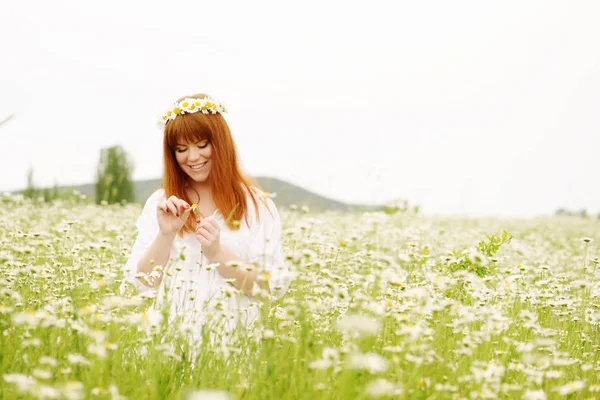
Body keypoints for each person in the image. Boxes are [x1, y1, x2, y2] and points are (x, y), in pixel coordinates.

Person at [120, 93, 290, 340]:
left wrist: (217, 254)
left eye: (201, 145)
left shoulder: (256, 205)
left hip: (234, 343)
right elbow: (142, 282)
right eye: (181, 149)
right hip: (169, 344)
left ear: (220, 143)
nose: (193, 157)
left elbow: (269, 287)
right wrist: (165, 236)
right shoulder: (161, 203)